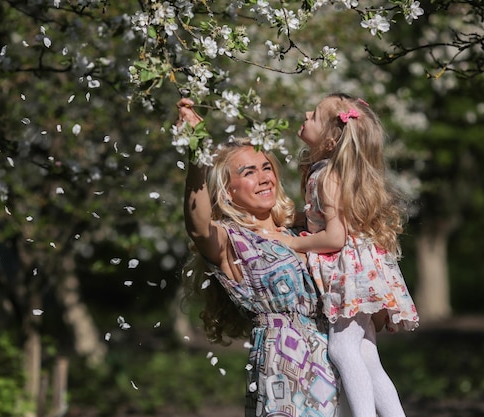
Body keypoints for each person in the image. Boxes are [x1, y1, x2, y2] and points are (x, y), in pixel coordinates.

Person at [175, 98, 342, 417]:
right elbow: (197, 226)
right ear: (228, 190)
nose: (264, 177)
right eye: (249, 172)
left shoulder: (303, 230)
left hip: (331, 358)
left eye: (267, 167)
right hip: (282, 365)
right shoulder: (231, 241)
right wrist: (196, 154)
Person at [276, 92, 419, 417]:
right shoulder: (330, 172)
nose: (306, 113)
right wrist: (299, 219)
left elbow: (335, 235)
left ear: (329, 139)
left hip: (349, 274)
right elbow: (330, 219)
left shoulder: (326, 177)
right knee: (366, 355)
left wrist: (295, 243)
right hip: (362, 268)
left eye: (314, 115)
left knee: (342, 349)